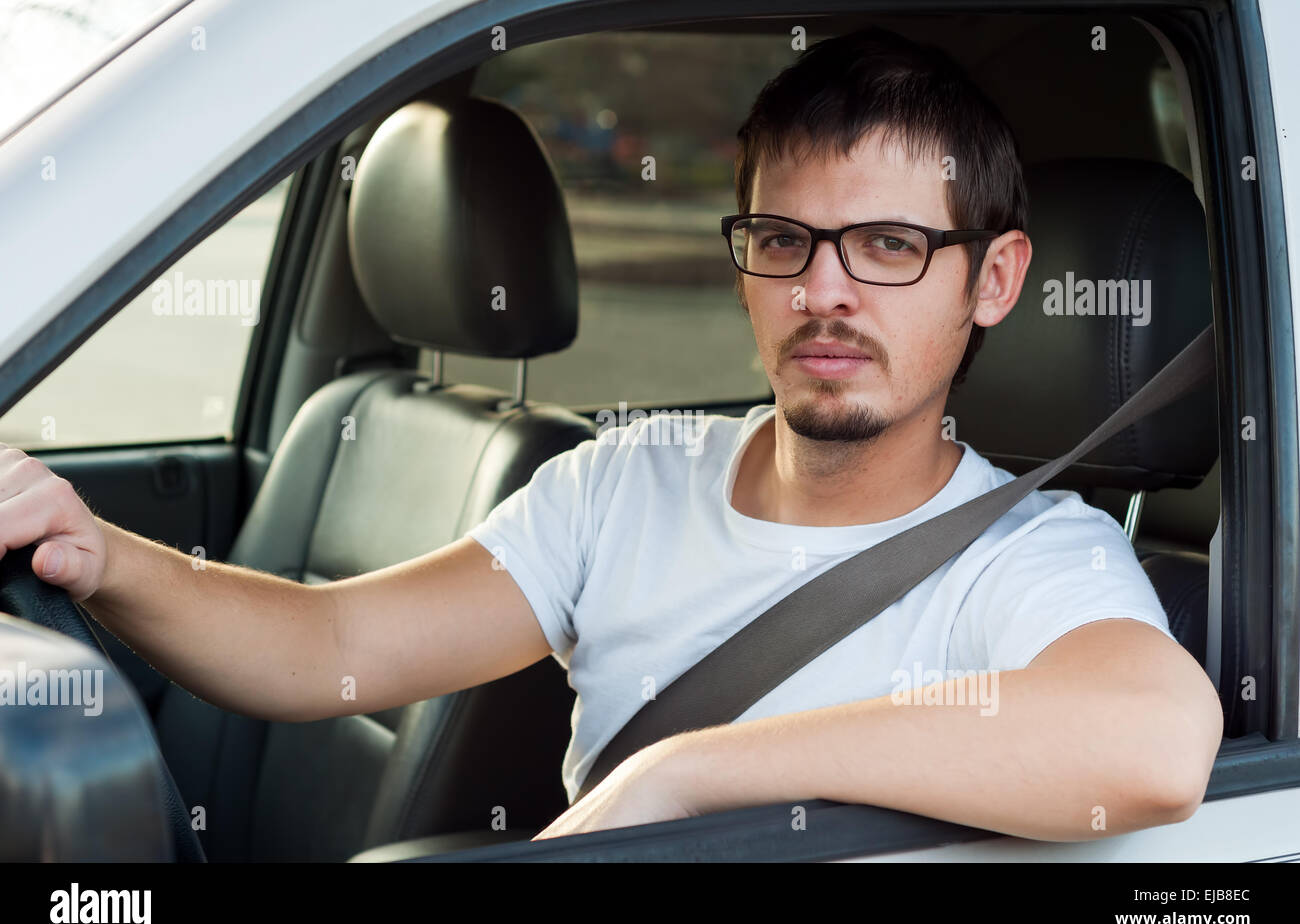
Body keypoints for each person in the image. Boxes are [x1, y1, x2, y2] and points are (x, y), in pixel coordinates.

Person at [0, 27, 1221, 843]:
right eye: (784, 241)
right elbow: (334, 644)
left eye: (891, 246)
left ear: (994, 280)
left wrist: (686, 775)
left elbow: (1153, 735)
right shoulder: (627, 479)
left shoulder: (1029, 555)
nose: (825, 292)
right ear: (746, 265)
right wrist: (97, 551)